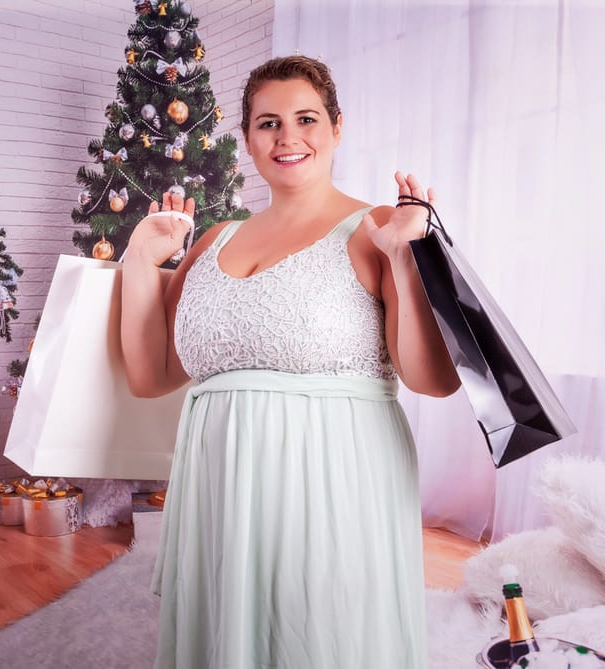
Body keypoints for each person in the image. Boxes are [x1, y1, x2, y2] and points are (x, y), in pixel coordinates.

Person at [121, 55, 460, 668]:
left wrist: (405, 257)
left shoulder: (378, 226)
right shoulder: (212, 238)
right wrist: (141, 260)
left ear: (335, 127)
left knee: (318, 631)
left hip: (333, 478)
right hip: (219, 480)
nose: (288, 137)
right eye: (268, 123)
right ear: (247, 138)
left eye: (306, 118)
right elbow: (151, 376)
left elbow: (433, 380)